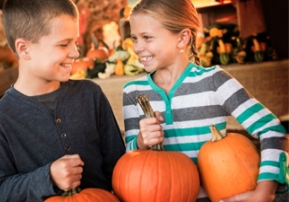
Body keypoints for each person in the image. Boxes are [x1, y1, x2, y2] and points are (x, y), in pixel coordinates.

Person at [122, 0, 288, 201]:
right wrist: (141, 141)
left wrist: (264, 192)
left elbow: (272, 129)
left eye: (147, 37)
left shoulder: (214, 81)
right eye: (134, 38)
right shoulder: (133, 92)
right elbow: (127, 158)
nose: (137, 47)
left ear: (182, 38)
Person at [0, 0, 125, 201]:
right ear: (24, 49)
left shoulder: (91, 94)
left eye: (75, 42)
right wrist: (48, 177)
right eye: (64, 44)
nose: (75, 52)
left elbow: (118, 165)